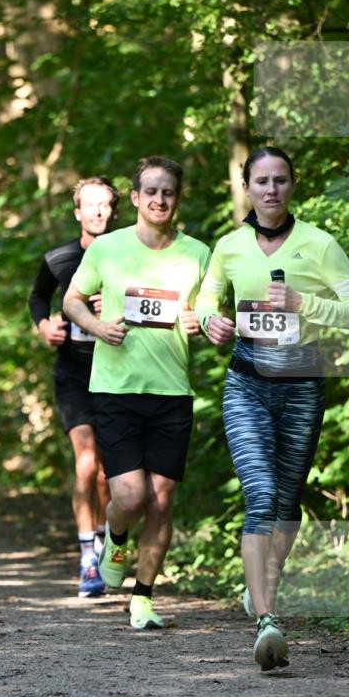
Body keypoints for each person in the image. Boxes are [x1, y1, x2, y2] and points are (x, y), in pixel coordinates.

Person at [196, 145, 349, 670]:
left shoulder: (319, 244)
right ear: (247, 188)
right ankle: (267, 619)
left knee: (288, 500)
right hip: (246, 384)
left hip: (301, 385)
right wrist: (210, 322)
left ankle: (260, 586)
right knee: (261, 494)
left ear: (292, 185)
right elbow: (206, 301)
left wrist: (304, 304)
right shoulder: (229, 246)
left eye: (280, 180)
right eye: (261, 181)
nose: (271, 189)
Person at [63, 156, 210, 629]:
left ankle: (143, 597)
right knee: (128, 496)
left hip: (172, 391)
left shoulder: (198, 253)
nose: (159, 200)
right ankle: (116, 536)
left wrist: (200, 321)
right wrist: (96, 326)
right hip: (116, 389)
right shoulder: (108, 249)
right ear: (135, 197)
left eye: (168, 192)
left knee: (161, 501)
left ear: (177, 198)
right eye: (151, 191)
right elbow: (71, 299)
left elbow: (207, 311)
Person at [28, 177, 119, 598]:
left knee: (106, 474)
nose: (97, 211)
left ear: (114, 211)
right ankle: (87, 560)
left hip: (118, 370)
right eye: (90, 204)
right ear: (77, 211)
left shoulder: (129, 255)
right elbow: (37, 298)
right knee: (85, 462)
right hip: (74, 372)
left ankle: (101, 543)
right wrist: (45, 326)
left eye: (105, 205)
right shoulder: (59, 258)